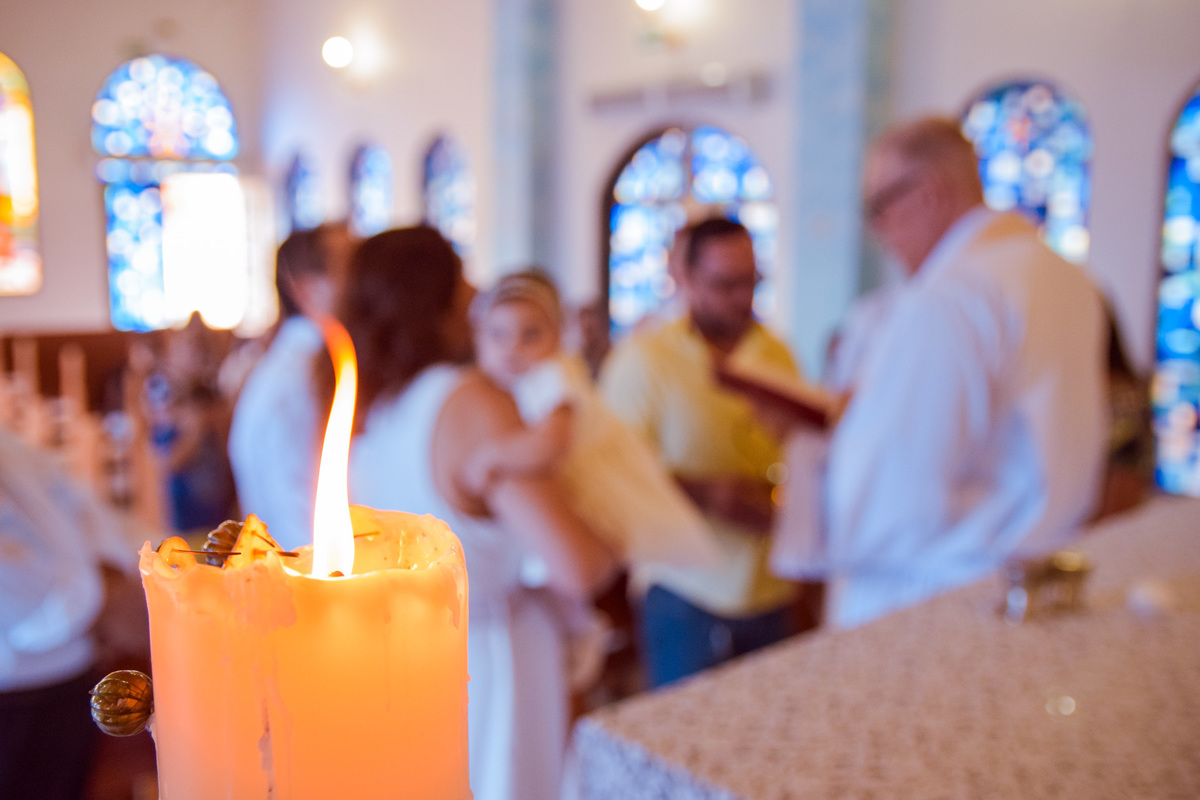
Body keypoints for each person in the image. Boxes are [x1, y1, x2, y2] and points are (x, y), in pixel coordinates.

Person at [339, 228, 615, 800]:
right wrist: (614, 538)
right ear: (436, 296)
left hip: (402, 658)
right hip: (488, 656)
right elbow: (577, 567)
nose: (475, 292)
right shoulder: (468, 400)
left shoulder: (376, 410)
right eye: (462, 277)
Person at [822, 116, 1109, 628]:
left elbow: (882, 505)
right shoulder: (1062, 276)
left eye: (878, 208)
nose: (877, 232)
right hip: (1029, 583)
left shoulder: (951, 297)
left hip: (925, 603)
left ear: (929, 193)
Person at [600, 216, 806, 688]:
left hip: (770, 585)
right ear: (686, 279)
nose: (741, 297)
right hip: (685, 591)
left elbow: (798, 451)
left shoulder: (776, 354)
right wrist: (704, 493)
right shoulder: (644, 360)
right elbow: (615, 474)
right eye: (725, 283)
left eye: (751, 282)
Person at [0, 427, 146, 800]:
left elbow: (75, 501)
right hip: (19, 686)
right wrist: (99, 601)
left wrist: (128, 565)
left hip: (70, 671)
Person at [228, 224, 354, 551]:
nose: (370, 283)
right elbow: (305, 532)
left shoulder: (318, 366)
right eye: (352, 268)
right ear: (306, 288)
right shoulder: (296, 382)